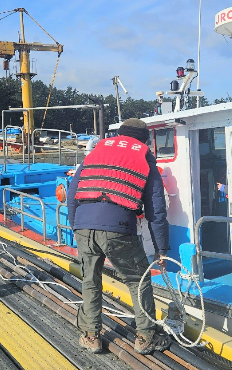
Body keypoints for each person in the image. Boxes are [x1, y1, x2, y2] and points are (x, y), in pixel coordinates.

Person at [67, 118, 171, 355]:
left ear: (120, 134)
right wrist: (161, 249)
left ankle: (91, 336)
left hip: (83, 224)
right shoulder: (144, 157)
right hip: (118, 227)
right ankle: (146, 336)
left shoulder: (96, 151)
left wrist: (77, 227)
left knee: (90, 280)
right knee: (138, 279)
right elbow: (156, 210)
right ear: (144, 140)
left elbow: (73, 194)